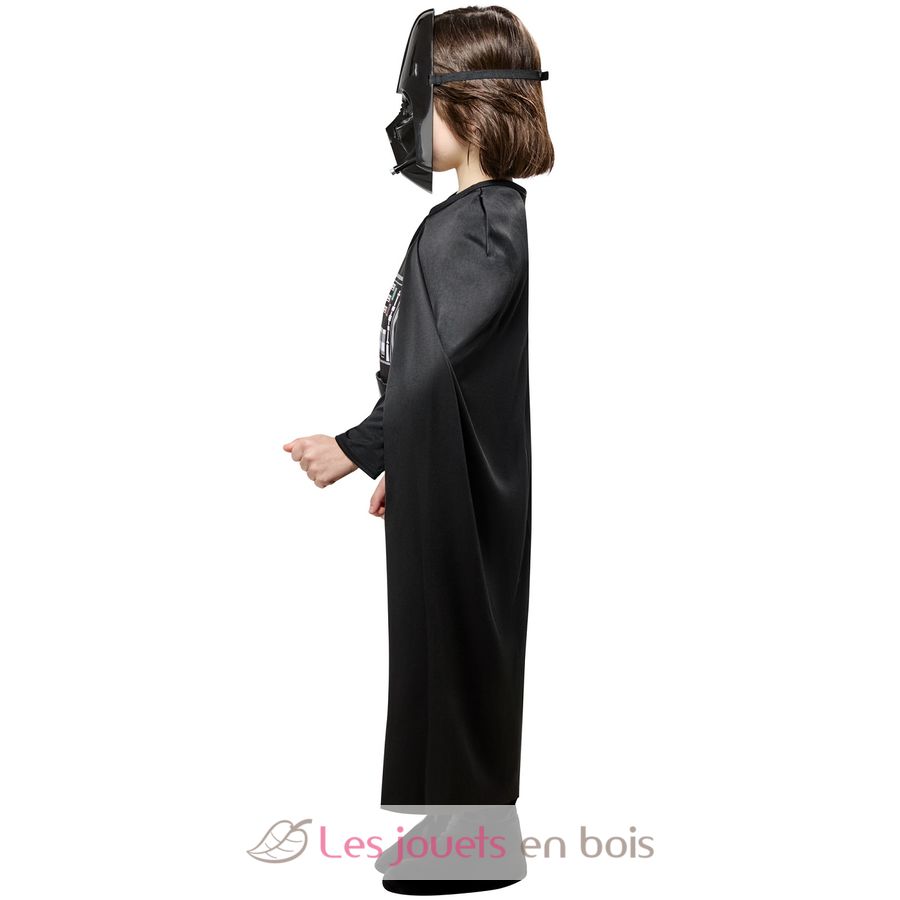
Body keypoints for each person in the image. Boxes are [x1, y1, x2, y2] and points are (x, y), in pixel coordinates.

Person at [283, 6, 553, 893]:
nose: (407, 120)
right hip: (448, 470)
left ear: (467, 104)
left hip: (468, 484)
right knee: (437, 636)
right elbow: (433, 359)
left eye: (419, 99)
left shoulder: (481, 224)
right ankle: (454, 826)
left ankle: (474, 842)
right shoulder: (474, 219)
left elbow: (439, 366)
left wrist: (358, 446)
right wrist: (409, 454)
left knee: (459, 636)